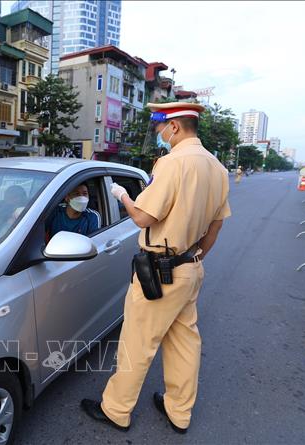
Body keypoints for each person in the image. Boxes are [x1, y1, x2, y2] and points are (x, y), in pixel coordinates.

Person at [80, 102, 231, 434]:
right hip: (189, 269)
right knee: (184, 342)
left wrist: (122, 196)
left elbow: (143, 217)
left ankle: (116, 410)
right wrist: (194, 257)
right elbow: (216, 226)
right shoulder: (217, 168)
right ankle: (180, 411)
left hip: (160, 273)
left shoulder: (173, 163)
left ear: (174, 127)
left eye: (160, 128)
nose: (159, 135)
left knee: (137, 342)